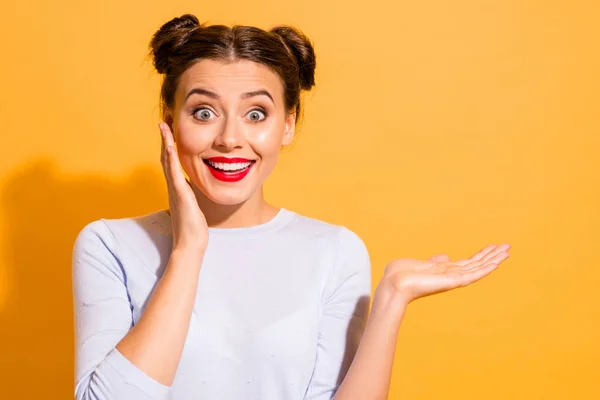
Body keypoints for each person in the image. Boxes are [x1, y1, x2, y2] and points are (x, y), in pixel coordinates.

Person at [72, 14, 511, 400]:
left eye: (256, 114)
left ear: (289, 124)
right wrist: (189, 251)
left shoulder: (334, 250)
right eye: (204, 112)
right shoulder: (109, 245)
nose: (229, 138)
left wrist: (393, 298)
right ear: (170, 122)